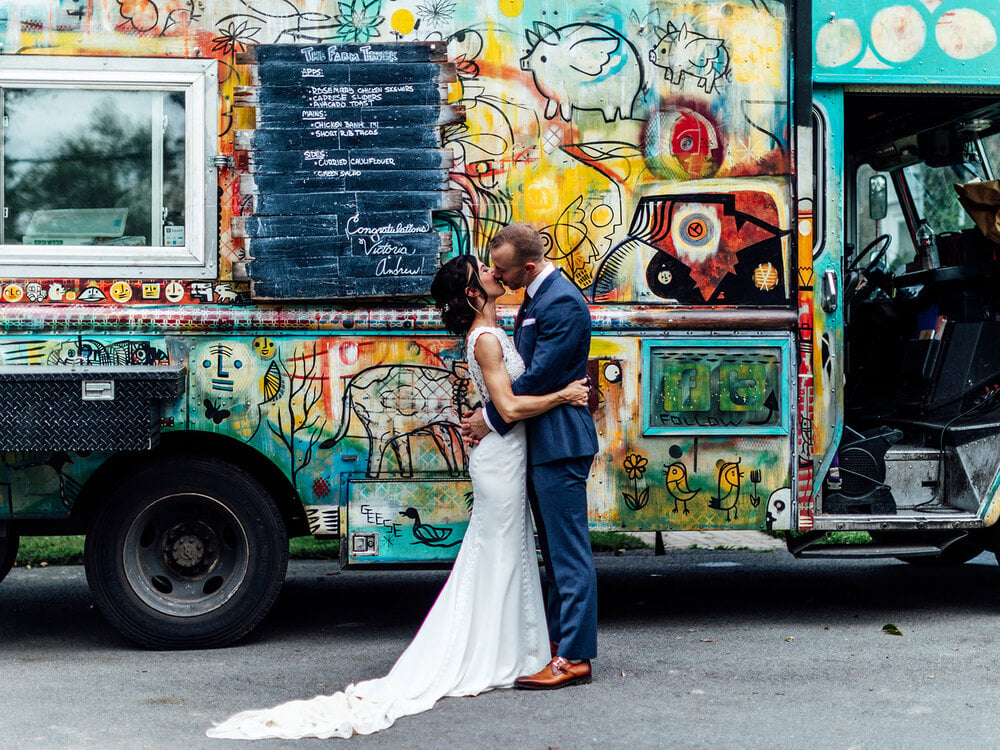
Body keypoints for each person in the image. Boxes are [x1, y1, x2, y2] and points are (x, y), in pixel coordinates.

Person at [205, 254, 589, 740]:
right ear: (473, 294)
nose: (496, 274)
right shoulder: (487, 339)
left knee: (507, 549)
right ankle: (502, 648)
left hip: (507, 454)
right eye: (485, 273)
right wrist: (565, 396)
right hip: (500, 457)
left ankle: (516, 645)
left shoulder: (494, 330)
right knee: (498, 548)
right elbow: (509, 405)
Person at [463, 222, 599, 690]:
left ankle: (574, 657)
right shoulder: (540, 297)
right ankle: (560, 647)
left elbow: (541, 376)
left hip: (560, 442)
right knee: (555, 554)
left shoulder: (560, 300)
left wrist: (492, 419)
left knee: (568, 553)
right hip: (543, 441)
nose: (498, 278)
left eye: (503, 271)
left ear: (529, 266)